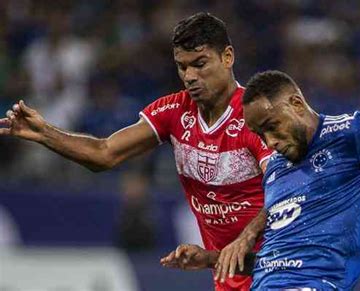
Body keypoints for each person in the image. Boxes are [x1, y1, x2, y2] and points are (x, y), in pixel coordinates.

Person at [0, 13, 273, 291]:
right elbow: (104, 153)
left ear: (227, 57)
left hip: (282, 272)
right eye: (182, 67)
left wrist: (246, 236)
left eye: (200, 64)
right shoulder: (174, 112)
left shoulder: (258, 116)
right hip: (229, 280)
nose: (190, 76)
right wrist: (45, 133)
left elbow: (287, 190)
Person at [160, 70, 360, 290]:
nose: (270, 141)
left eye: (272, 126)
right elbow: (274, 258)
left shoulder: (351, 132)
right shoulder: (276, 170)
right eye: (260, 134)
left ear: (296, 103)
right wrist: (210, 259)